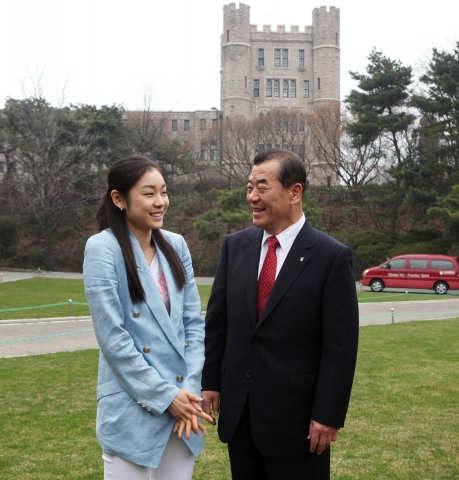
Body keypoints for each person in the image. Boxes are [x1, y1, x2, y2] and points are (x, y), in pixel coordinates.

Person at [202, 149, 359, 479]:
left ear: (295, 192)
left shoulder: (331, 257)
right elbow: (218, 322)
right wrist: (211, 381)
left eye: (262, 186)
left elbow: (340, 348)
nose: (252, 197)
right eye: (248, 187)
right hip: (240, 413)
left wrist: (328, 415)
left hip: (298, 423)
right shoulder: (235, 246)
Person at [83, 155, 214, 480]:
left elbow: (193, 327)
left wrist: (189, 395)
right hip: (133, 406)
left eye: (164, 192)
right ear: (119, 199)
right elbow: (113, 338)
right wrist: (166, 396)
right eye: (149, 193)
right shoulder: (102, 248)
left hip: (184, 409)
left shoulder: (177, 245)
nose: (160, 202)